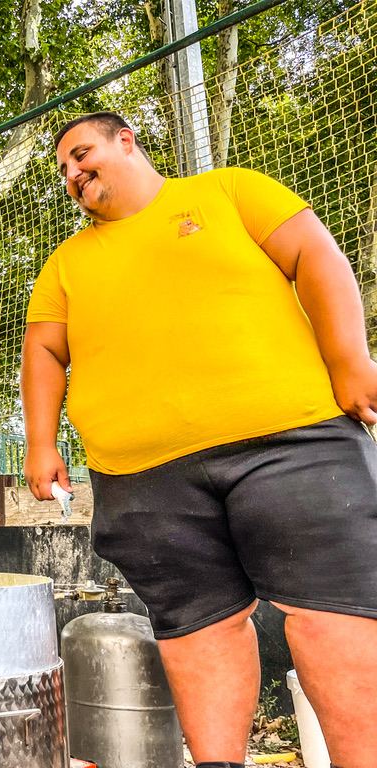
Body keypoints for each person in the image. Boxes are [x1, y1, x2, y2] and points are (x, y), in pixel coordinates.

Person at [22, 111, 377, 768]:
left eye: (81, 153)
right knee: (196, 630)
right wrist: (41, 443)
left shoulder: (228, 191)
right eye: (64, 170)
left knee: (334, 613)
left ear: (126, 141)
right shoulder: (66, 262)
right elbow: (44, 348)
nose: (72, 173)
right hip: (141, 478)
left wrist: (349, 359)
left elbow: (315, 254)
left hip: (292, 443)